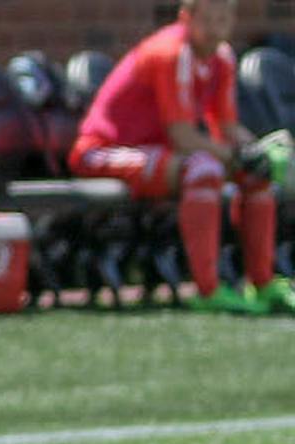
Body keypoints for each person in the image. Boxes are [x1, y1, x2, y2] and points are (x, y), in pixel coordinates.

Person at [72, 0, 295, 315]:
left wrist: (256, 152)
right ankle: (207, 289)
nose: (218, 25)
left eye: (225, 16)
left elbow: (227, 127)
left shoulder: (222, 57)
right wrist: (238, 157)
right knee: (204, 169)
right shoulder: (171, 52)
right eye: (210, 17)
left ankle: (262, 283)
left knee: (255, 174)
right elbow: (184, 137)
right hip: (101, 150)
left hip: (159, 154)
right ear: (186, 16)